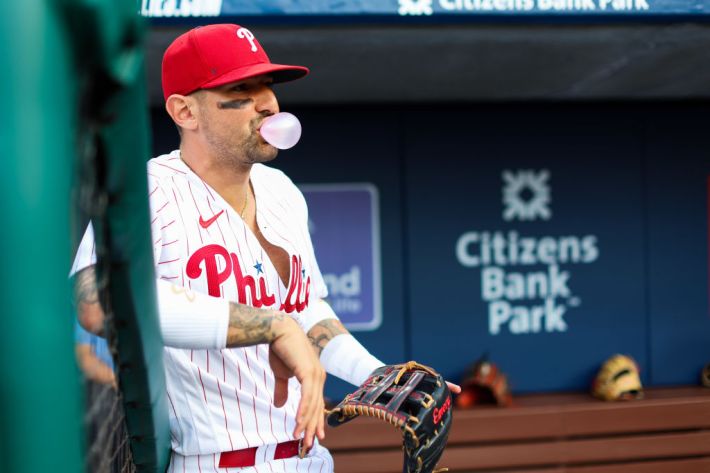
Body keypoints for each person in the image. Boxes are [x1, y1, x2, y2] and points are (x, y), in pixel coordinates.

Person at [72, 23, 388, 473]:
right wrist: (270, 325)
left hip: (311, 458)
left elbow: (305, 311)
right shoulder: (150, 190)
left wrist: (373, 374)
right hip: (220, 461)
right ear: (185, 112)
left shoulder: (280, 190)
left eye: (269, 85)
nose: (269, 104)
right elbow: (96, 300)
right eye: (242, 88)